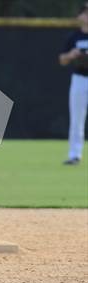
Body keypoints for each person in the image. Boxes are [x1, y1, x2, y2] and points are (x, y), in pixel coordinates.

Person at [59, 3, 88, 165]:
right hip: (79, 79)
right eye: (85, 13)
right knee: (77, 119)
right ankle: (74, 155)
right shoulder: (73, 37)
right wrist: (71, 55)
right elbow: (61, 60)